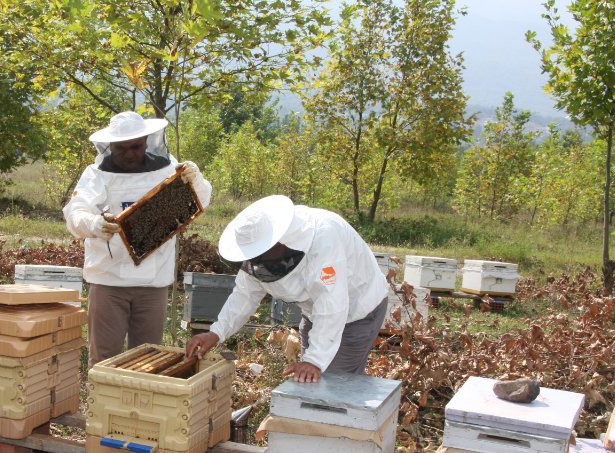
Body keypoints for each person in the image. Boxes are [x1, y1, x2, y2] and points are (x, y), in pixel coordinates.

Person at [186, 195, 389, 383]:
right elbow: (244, 296)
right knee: (310, 383)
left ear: (279, 238)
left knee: (335, 389)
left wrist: (315, 360)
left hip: (357, 313)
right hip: (315, 313)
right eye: (253, 256)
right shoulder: (259, 258)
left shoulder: (324, 239)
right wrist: (216, 332)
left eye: (261, 254)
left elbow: (332, 304)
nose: (258, 261)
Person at [64, 111, 212, 366]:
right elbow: (76, 211)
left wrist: (196, 179)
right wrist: (93, 223)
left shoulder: (166, 167)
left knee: (147, 361)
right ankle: (104, 406)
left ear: (147, 141)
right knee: (104, 360)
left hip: (152, 281)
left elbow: (198, 200)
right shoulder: (97, 173)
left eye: (136, 146)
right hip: (108, 280)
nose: (131, 153)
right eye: (123, 148)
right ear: (110, 146)